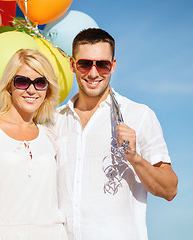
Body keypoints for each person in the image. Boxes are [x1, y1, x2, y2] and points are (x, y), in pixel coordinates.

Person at [53, 28, 178, 240]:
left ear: (113, 66)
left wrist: (134, 157)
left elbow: (169, 189)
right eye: (85, 64)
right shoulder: (54, 120)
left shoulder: (139, 115)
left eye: (102, 64)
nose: (93, 73)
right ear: (73, 65)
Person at [0, 49, 68, 240]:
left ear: (48, 89)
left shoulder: (51, 135)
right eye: (22, 81)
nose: (31, 89)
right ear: (9, 86)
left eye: (40, 82)